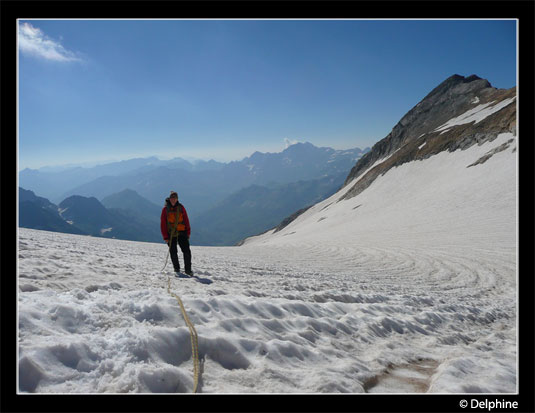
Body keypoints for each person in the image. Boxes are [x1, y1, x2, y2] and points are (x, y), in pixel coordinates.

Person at [160, 191, 193, 275]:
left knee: (186, 251)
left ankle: (188, 270)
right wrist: (165, 237)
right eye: (172, 198)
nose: (173, 200)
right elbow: (163, 223)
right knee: (173, 251)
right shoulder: (165, 209)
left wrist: (188, 232)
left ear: (177, 199)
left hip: (182, 232)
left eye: (174, 198)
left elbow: (186, 220)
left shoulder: (181, 208)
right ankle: (176, 269)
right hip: (171, 234)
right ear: (169, 199)